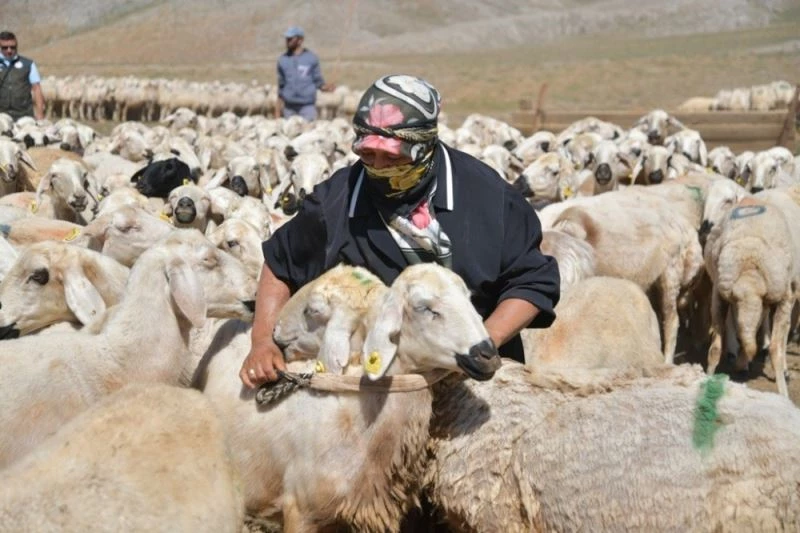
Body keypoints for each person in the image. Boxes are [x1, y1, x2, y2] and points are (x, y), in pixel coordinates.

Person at [241, 74, 560, 387]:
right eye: (368, 154)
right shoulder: (338, 201)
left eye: (392, 156)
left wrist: (482, 342)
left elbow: (531, 282)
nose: (378, 167)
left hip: (479, 382)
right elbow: (281, 262)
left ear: (425, 147)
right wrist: (262, 342)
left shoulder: (489, 199)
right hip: (379, 384)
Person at [275, 26, 334, 122]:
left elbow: (318, 81)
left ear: (300, 40)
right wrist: (277, 113)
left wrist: (326, 87)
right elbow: (281, 87)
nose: (287, 41)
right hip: (289, 108)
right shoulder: (282, 60)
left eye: (291, 38)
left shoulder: (311, 58)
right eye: (287, 38)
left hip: (307, 107)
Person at [0, 31, 45, 121]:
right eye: (5, 48)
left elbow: (37, 89)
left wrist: (40, 113)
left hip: (24, 116)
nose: (9, 50)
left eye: (12, 47)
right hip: (1, 116)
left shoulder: (28, 64)